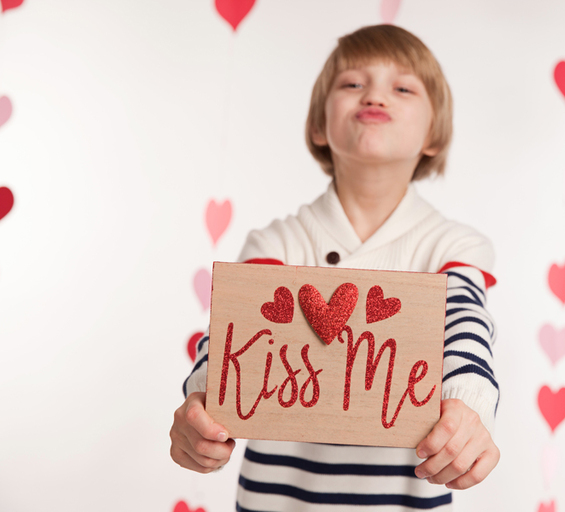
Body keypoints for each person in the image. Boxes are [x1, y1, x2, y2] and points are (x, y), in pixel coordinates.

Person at [170, 24, 500, 511]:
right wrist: (201, 403)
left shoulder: (452, 245)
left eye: (403, 88)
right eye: (352, 83)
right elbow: (230, 340)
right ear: (320, 126)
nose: (375, 95)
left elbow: (465, 327)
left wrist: (468, 410)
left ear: (433, 135)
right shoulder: (276, 244)